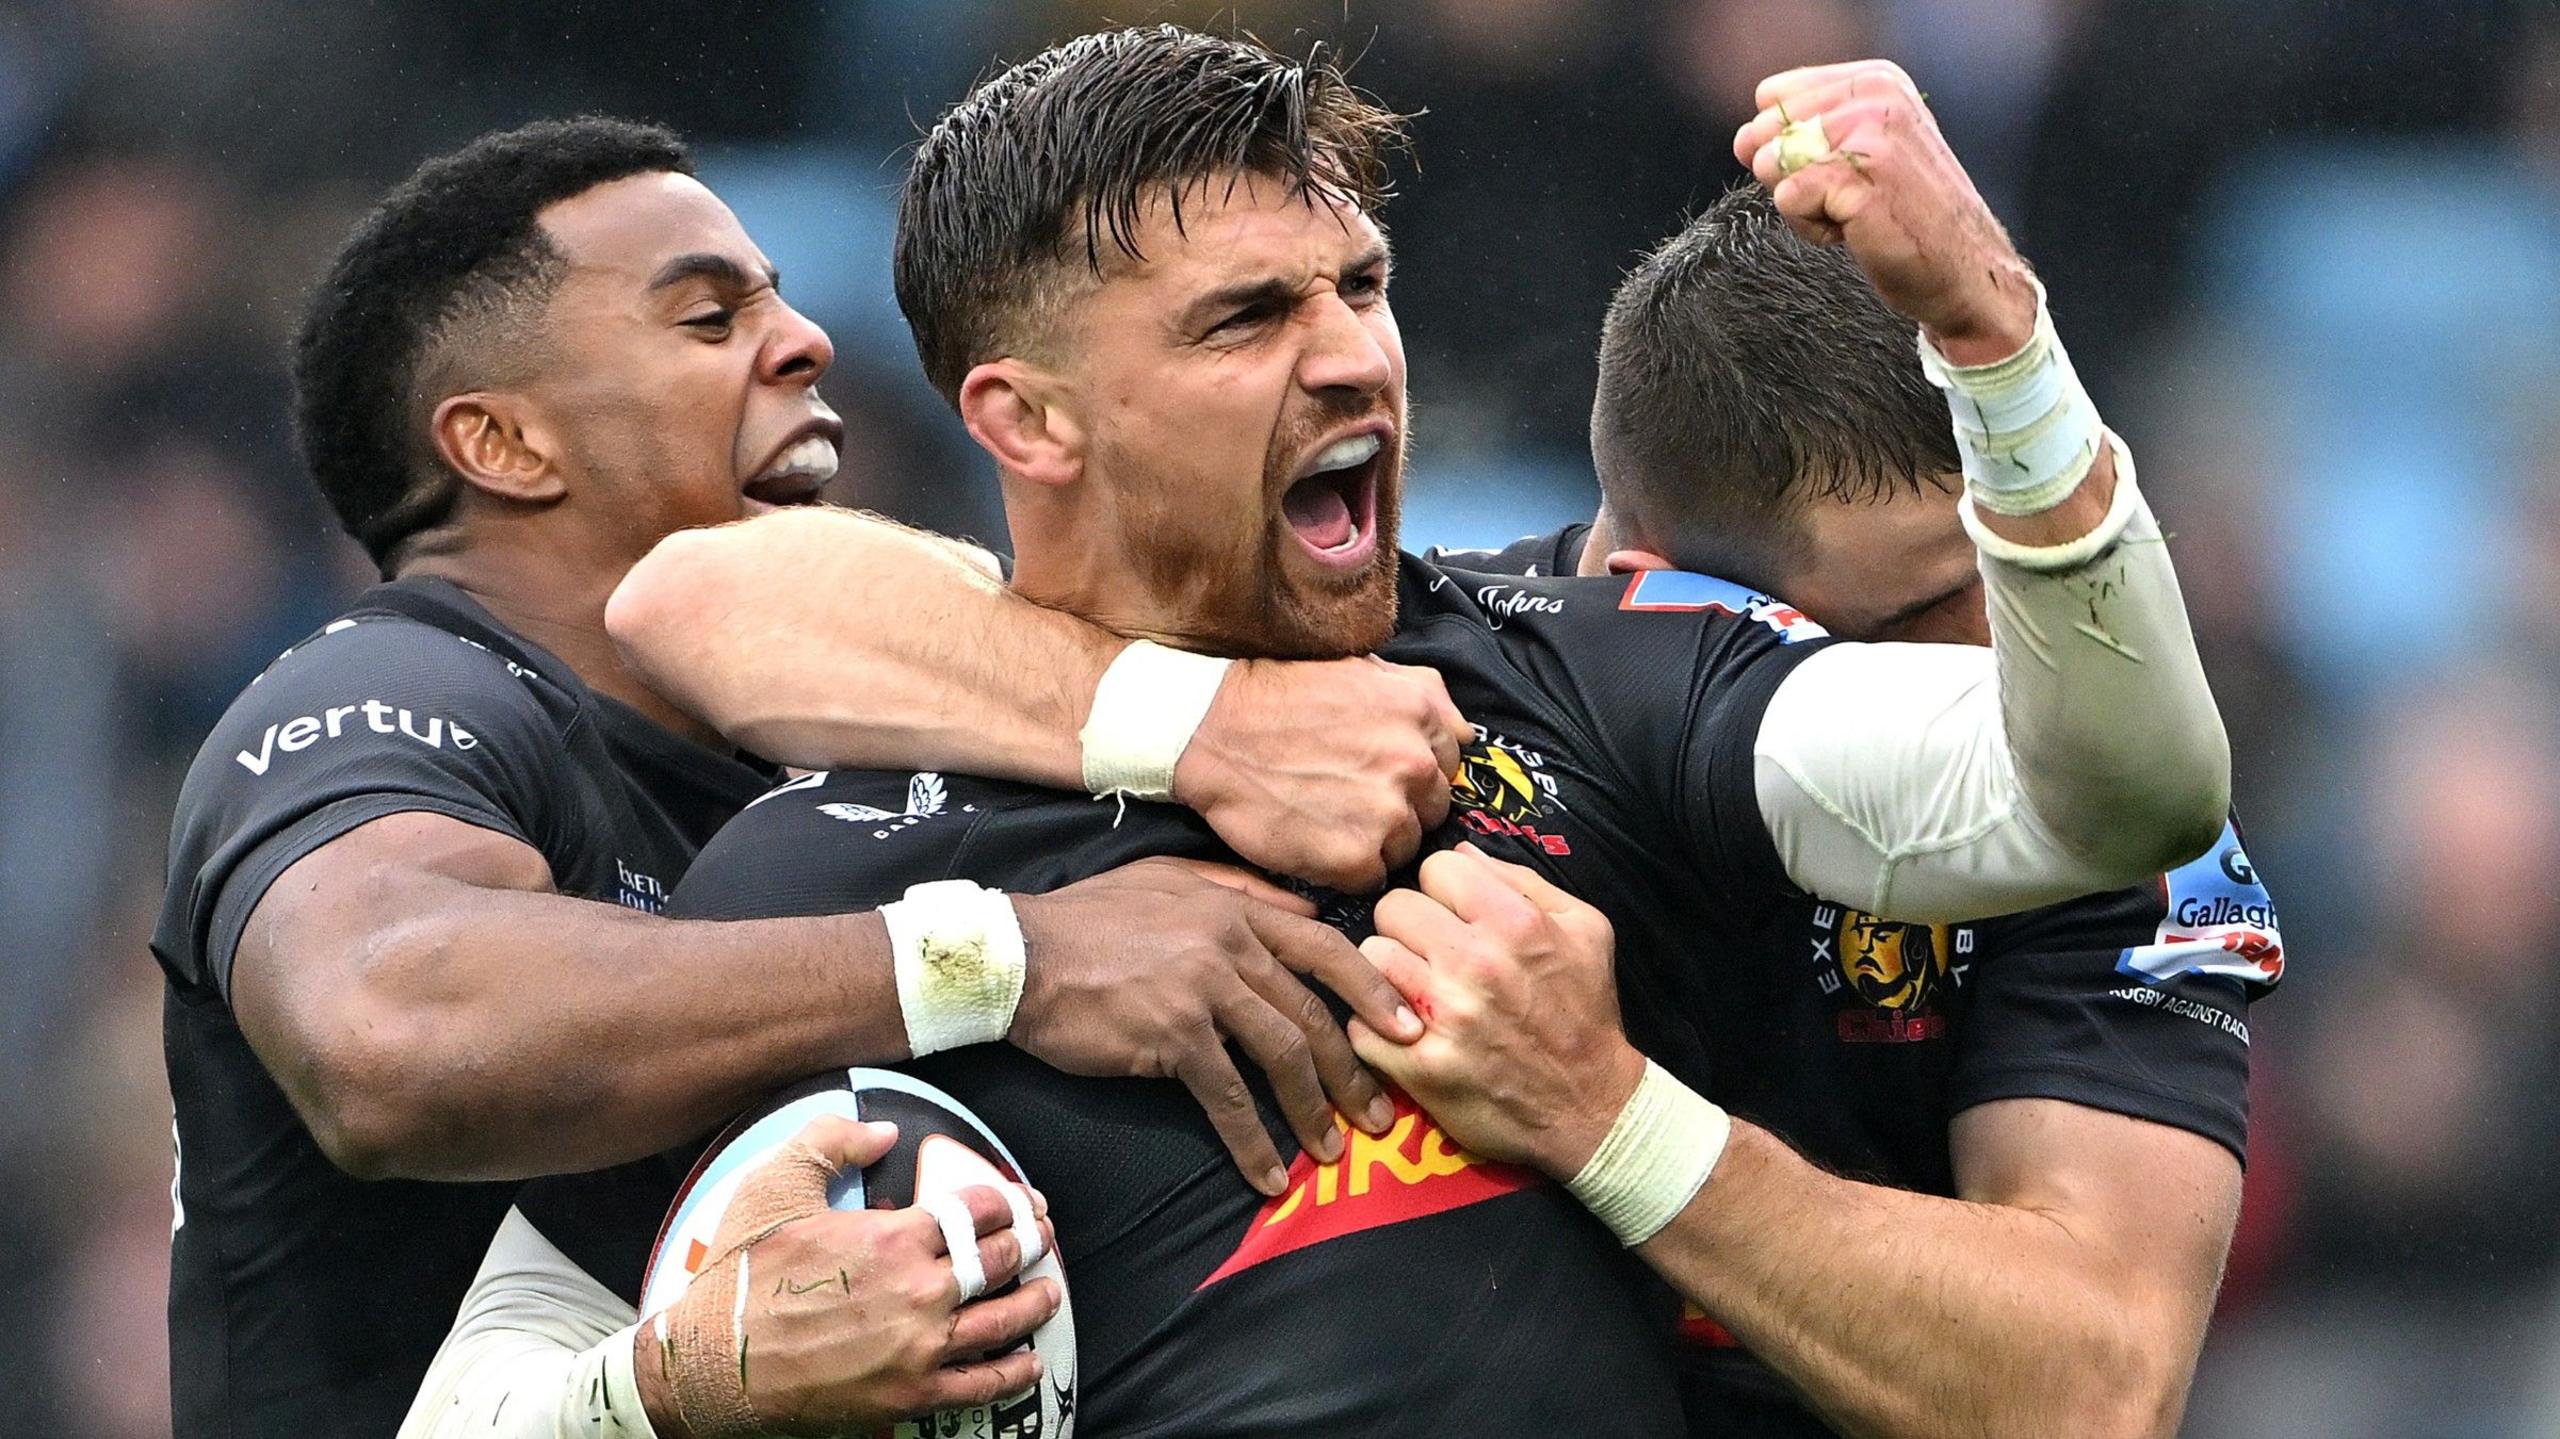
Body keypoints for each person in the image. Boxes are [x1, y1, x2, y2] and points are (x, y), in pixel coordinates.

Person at [415, 26, 2233, 1435]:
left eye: (1360, 287)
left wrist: (1997, 344)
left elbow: (2120, 785)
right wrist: (662, 1388)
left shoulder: (1576, 671)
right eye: (1246, 319)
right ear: (1024, 419)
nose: (1355, 355)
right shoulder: (821, 873)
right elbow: (481, 1390)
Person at [153, 115, 1467, 1435]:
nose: (806, 340)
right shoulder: (392, 693)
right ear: (505, 445)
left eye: (778, 297)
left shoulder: (829, 754)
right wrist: (1013, 958)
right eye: (708, 317)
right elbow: (390, 1030)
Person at [1406, 165, 2279, 1435]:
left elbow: (2090, 1389)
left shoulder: (2130, 816)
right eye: (1931, 612)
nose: (2023, 678)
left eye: (2019, 578)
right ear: (1679, 601)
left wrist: (1609, 1115)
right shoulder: (1395, 693)